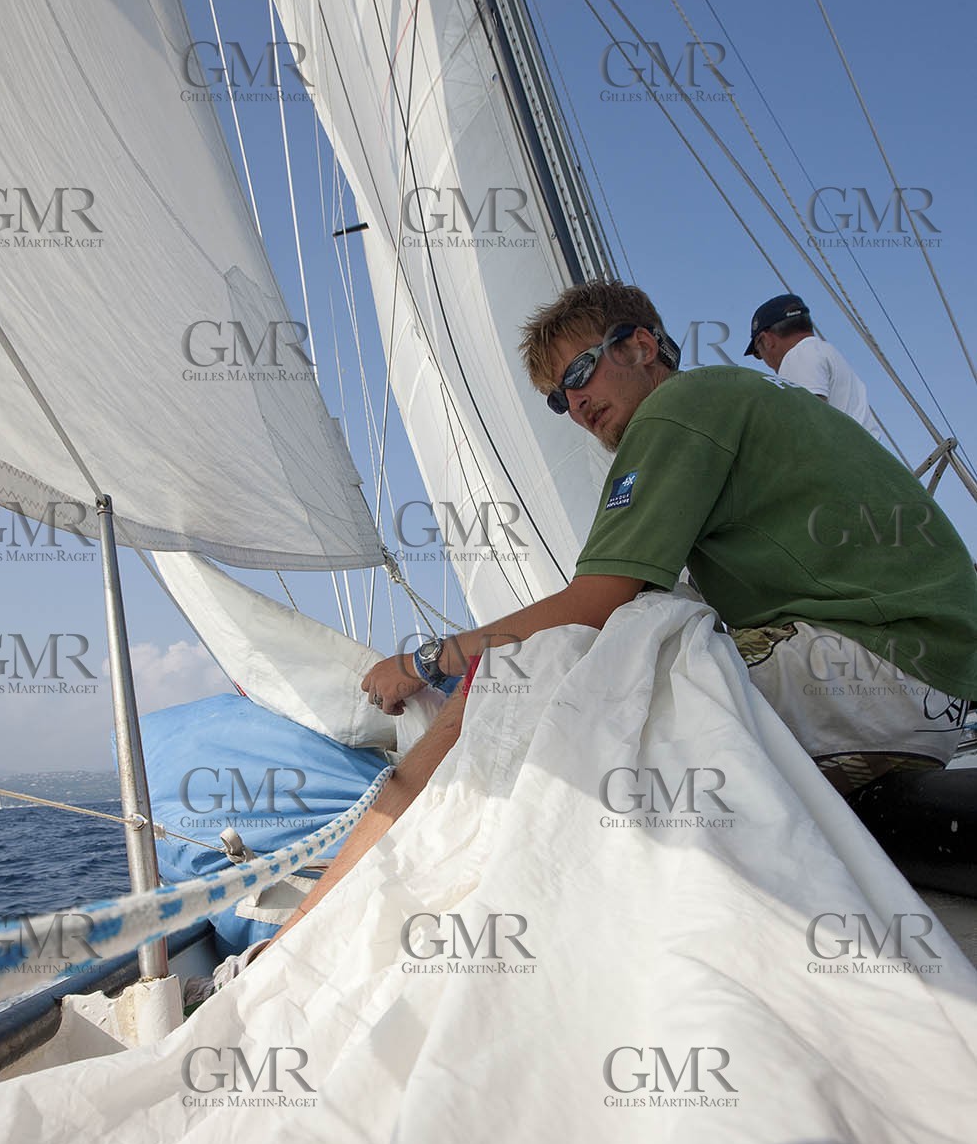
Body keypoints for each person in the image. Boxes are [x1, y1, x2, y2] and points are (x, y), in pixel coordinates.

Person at [261, 280, 977, 949]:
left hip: (868, 666)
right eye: (555, 398)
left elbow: (595, 603)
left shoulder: (677, 409)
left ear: (640, 347)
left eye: (578, 373)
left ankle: (320, 926)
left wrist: (424, 661)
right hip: (926, 689)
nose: (573, 404)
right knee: (588, 662)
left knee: (520, 674)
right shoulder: (740, 399)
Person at [745, 292, 882, 440]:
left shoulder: (798, 355)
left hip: (842, 459)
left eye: (758, 353)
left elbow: (808, 425)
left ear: (766, 340)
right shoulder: (826, 351)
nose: (765, 361)